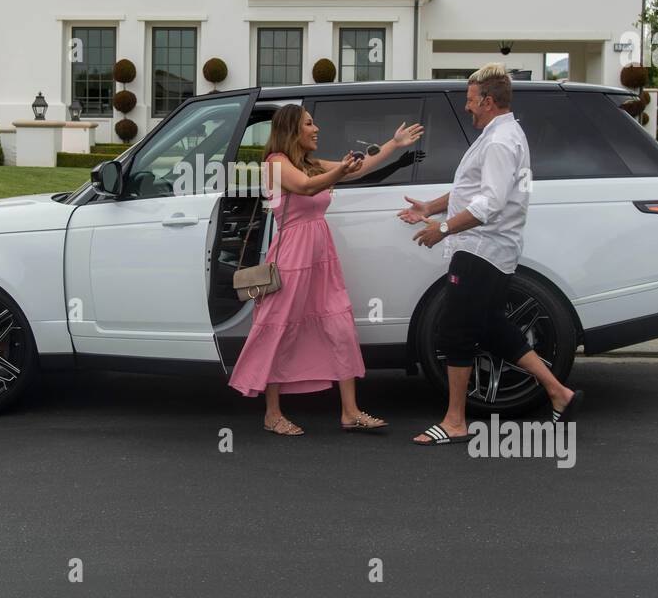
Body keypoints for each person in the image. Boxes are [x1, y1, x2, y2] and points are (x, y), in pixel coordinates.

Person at [398, 63, 582, 446]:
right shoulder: (501, 134)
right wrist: (430, 208)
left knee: (455, 332)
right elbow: (473, 190)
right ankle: (557, 391)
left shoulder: (500, 141)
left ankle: (455, 421)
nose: (467, 107)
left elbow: (492, 203)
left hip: (481, 250)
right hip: (489, 250)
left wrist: (442, 229)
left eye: (470, 101)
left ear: (488, 100)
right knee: (491, 327)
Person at [229, 103, 424, 436]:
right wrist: (340, 171)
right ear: (292, 130)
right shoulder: (276, 163)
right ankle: (272, 414)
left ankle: (350, 412)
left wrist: (393, 145)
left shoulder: (309, 163)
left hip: (321, 255)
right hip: (292, 256)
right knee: (279, 328)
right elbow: (306, 187)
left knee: (339, 325)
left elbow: (358, 170)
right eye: (309, 124)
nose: (316, 129)